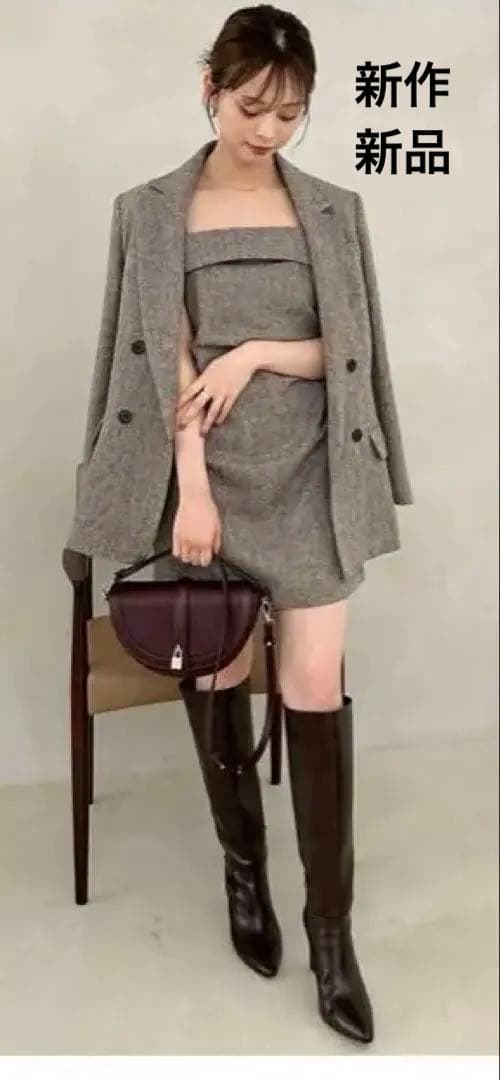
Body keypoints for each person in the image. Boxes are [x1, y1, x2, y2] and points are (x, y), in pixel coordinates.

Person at [66, 3, 414, 1046]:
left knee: (311, 687)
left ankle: (329, 933)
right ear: (209, 89)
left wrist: (255, 353)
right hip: (205, 475)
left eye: (290, 112)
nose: (268, 130)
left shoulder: (333, 209)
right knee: (215, 672)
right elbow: (158, 356)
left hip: (312, 476)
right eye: (252, 106)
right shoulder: (150, 210)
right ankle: (243, 873)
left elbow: (346, 351)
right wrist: (193, 486)